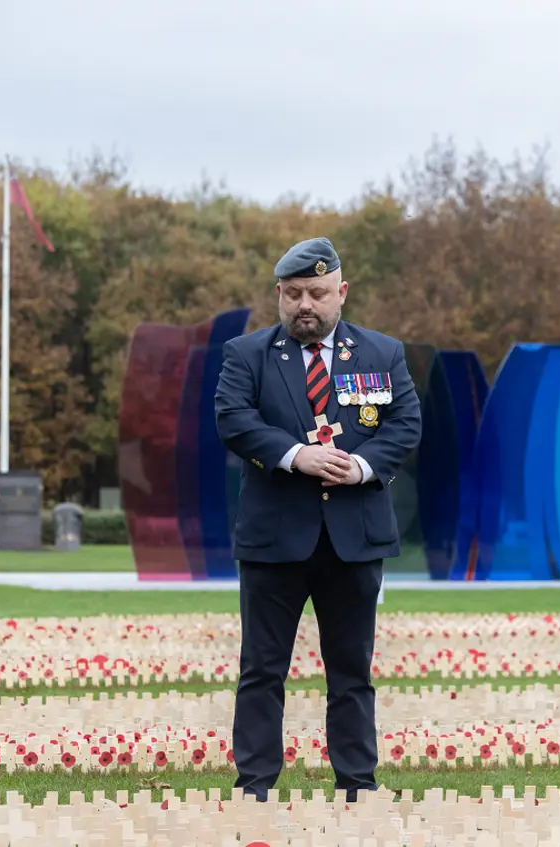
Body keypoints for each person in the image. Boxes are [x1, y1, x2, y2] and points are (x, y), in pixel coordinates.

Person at [214, 236, 421, 801]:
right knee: (261, 671)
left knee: (352, 673)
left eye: (318, 293)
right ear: (279, 294)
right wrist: (293, 455)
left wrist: (359, 466)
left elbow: (405, 423)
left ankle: (358, 784)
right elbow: (233, 419)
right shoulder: (247, 354)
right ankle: (254, 786)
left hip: (354, 538)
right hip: (273, 539)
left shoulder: (383, 353)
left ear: (342, 291)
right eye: (294, 294)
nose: (306, 305)